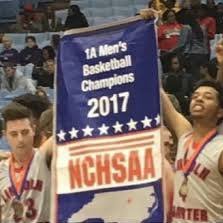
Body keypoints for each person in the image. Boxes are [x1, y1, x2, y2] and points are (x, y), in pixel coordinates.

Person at [0, 102, 52, 222]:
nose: (20, 139)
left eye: (25, 132)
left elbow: (61, 134)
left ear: (33, 130)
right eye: (14, 134)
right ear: (5, 135)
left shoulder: (43, 156)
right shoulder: (1, 169)